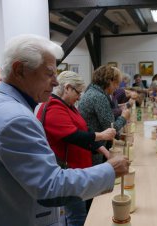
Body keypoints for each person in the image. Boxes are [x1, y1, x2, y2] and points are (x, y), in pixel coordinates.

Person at [0, 34, 130, 226]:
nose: (56, 82)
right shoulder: (14, 118)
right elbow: (50, 187)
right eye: (49, 74)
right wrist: (109, 170)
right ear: (19, 70)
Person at [36, 71, 116, 225]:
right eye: (78, 92)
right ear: (67, 88)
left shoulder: (68, 106)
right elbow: (74, 136)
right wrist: (102, 135)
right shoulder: (53, 107)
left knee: (78, 213)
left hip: (79, 168)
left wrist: (106, 152)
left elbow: (84, 132)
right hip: (69, 172)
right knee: (77, 216)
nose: (80, 97)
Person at [78, 65, 131, 165]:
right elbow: (111, 128)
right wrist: (124, 117)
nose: (117, 87)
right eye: (116, 83)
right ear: (109, 81)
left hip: (93, 145)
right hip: (94, 149)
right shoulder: (99, 97)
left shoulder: (93, 91)